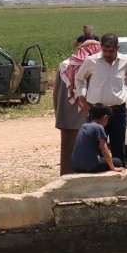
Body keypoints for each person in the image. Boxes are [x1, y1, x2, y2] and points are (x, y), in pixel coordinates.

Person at [75, 33, 127, 156]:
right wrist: (82, 97)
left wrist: (124, 91)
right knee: (96, 147)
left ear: (117, 48)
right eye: (105, 50)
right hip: (96, 111)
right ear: (101, 47)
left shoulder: (125, 62)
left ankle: (119, 170)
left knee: (118, 146)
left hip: (118, 111)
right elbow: (79, 78)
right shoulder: (91, 61)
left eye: (111, 51)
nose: (107, 54)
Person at [52, 46, 84, 175]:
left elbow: (56, 94)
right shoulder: (92, 66)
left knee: (68, 149)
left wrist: (58, 114)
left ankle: (66, 175)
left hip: (66, 117)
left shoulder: (64, 65)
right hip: (82, 118)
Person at [71, 104, 125, 174]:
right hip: (90, 166)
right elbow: (104, 150)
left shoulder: (83, 126)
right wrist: (113, 168)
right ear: (105, 117)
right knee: (118, 161)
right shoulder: (99, 127)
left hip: (75, 165)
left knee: (103, 159)